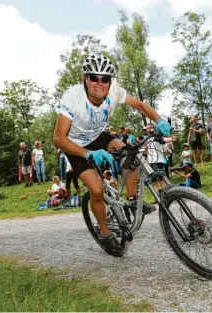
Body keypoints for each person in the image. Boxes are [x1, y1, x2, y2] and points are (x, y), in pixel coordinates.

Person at [53, 54, 171, 257]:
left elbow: (141, 106)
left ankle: (133, 200)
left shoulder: (114, 92)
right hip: (76, 146)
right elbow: (58, 140)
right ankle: (106, 234)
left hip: (98, 136)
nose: (99, 83)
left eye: (105, 79)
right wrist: (87, 153)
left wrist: (159, 119)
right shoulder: (72, 98)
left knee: (131, 155)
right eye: (94, 77)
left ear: (110, 82)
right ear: (85, 79)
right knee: (97, 190)